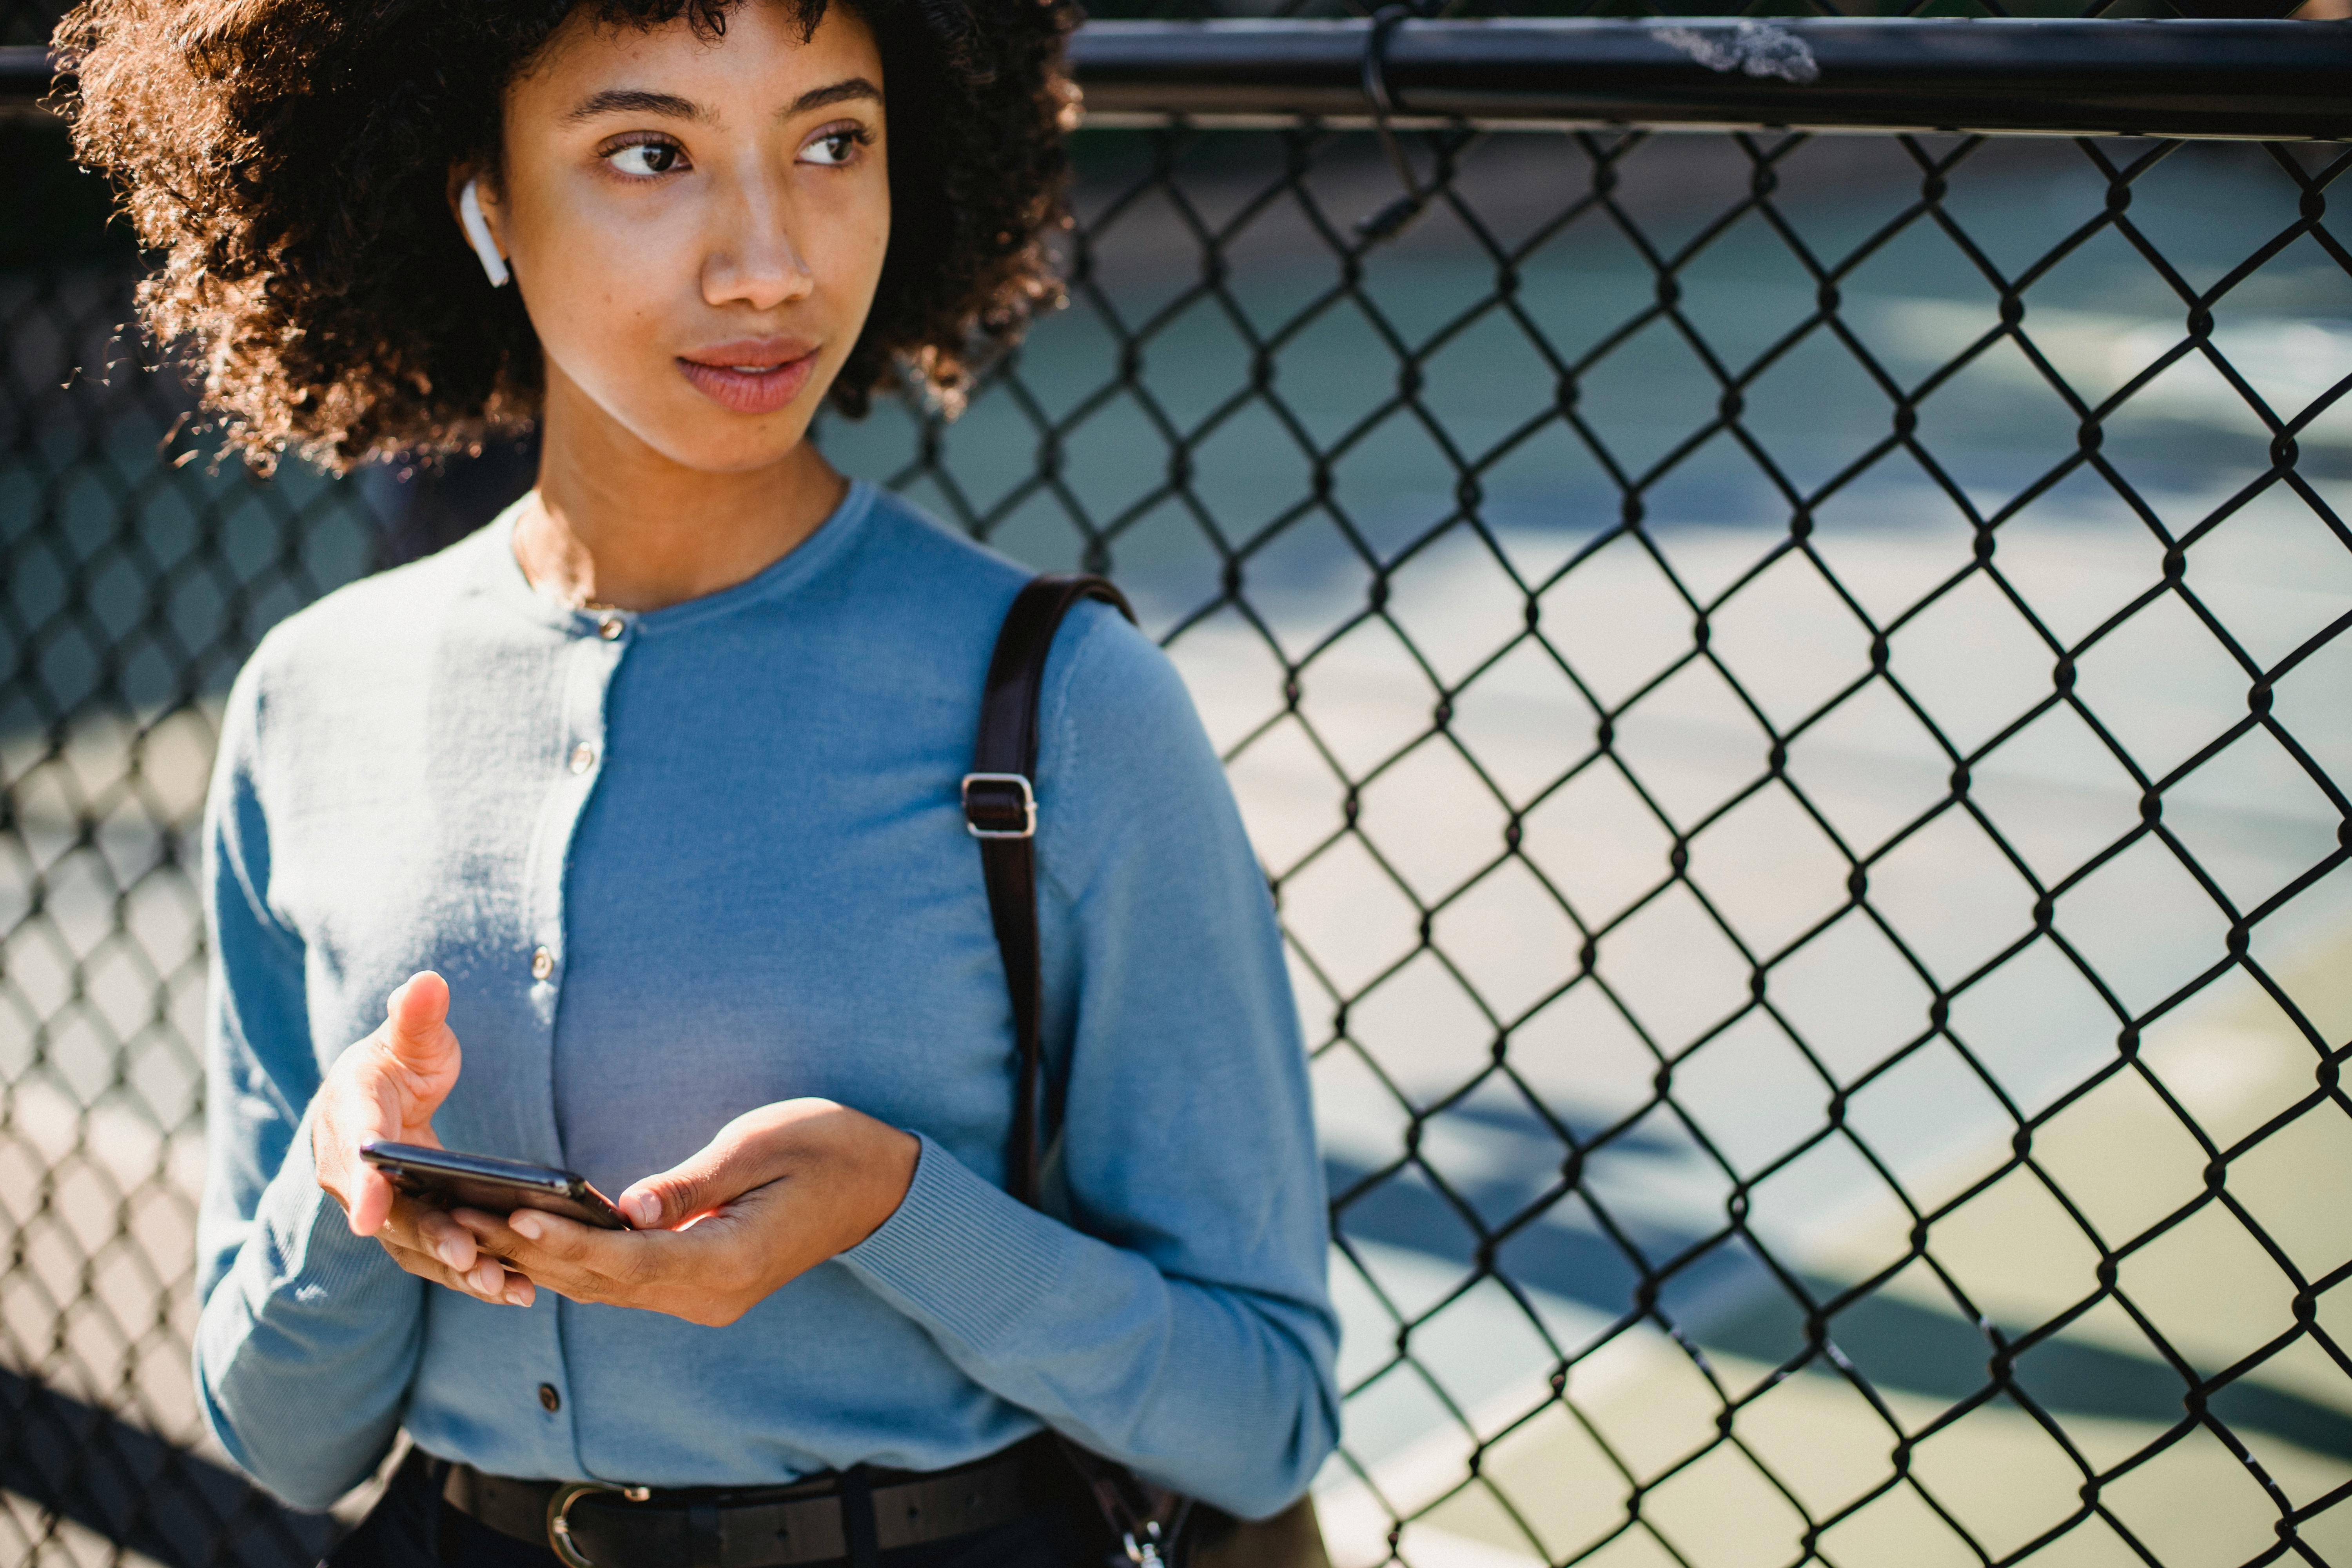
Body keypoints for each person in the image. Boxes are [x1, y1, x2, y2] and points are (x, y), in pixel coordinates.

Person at [57, 0, 1339, 1562]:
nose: (771, 262)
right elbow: (285, 1439)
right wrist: (347, 1199)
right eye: (650, 152)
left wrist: (895, 1209)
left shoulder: (1068, 710)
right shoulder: (310, 700)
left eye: (832, 141)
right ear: (482, 198)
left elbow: (1264, 1415)